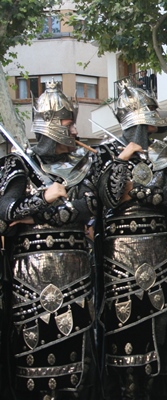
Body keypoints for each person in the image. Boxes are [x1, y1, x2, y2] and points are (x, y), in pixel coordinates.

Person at [0, 79, 100, 399]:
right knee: (34, 351)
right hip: (30, 277)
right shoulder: (19, 164)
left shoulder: (82, 166)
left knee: (78, 356)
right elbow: (7, 211)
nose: (75, 131)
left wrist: (39, 215)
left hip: (76, 273)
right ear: (53, 125)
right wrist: (45, 197)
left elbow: (89, 207)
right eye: (69, 125)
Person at [96, 79, 167, 399]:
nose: (150, 130)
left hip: (158, 255)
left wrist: (144, 194)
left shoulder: (161, 154)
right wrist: (123, 159)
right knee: (126, 329)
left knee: (159, 328)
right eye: (146, 124)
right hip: (120, 259)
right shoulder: (106, 154)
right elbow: (109, 198)